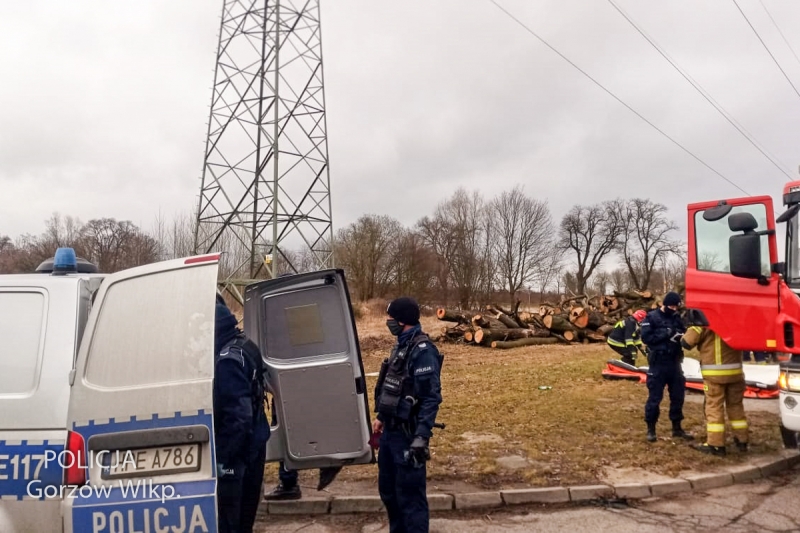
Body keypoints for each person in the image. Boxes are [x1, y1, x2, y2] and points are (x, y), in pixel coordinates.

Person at [373, 297, 443, 533]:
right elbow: (394, 386)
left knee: (410, 499)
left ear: (402, 320)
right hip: (390, 434)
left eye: (390, 317)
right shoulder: (401, 346)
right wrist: (381, 417)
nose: (388, 321)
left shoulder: (423, 351)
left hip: (408, 435)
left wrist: (421, 436)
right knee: (389, 492)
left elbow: (430, 397)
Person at [214, 294, 270, 533]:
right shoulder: (244, 344)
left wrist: (223, 459)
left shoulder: (227, 361)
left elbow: (238, 417)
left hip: (237, 454)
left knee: (230, 521)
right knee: (245, 515)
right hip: (255, 443)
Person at [681, 325, 748, 456]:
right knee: (736, 406)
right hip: (736, 374)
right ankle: (742, 440)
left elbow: (686, 343)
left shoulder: (703, 322)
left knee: (714, 408)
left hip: (714, 376)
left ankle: (716, 445)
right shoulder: (735, 320)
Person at [640, 291, 693, 443]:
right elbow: (646, 338)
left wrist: (680, 335)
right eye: (671, 306)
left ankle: (677, 428)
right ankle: (651, 429)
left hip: (675, 362)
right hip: (658, 363)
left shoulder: (676, 317)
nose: (674, 309)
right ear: (665, 304)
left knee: (678, 396)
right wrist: (666, 333)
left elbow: (684, 332)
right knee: (655, 398)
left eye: (676, 307)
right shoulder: (651, 317)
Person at [263, 399, 302, 500]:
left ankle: (289, 483)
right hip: (287, 399)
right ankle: (288, 482)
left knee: (283, 436)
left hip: (285, 400)